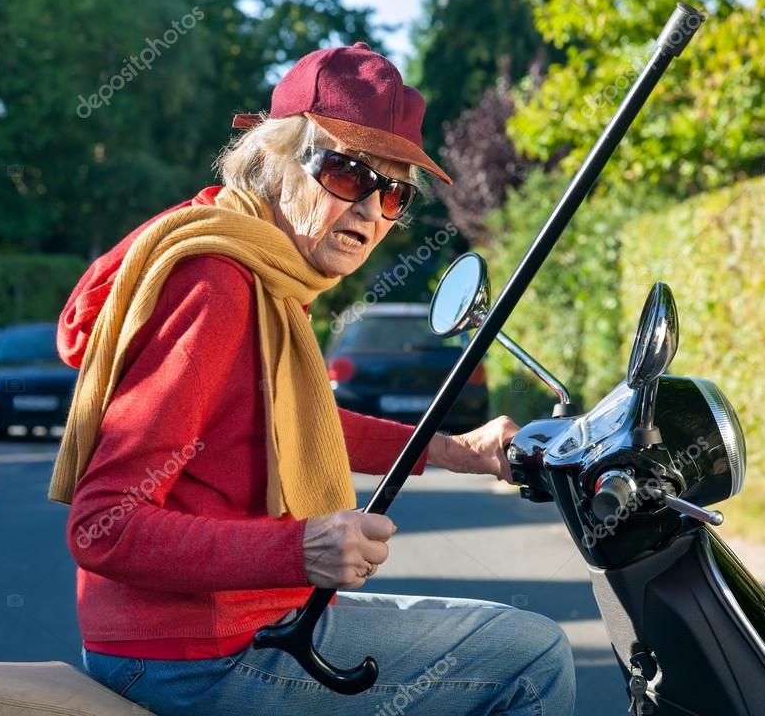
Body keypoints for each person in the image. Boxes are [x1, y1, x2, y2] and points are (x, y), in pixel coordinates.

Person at [48, 41, 575, 715]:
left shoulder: (264, 270)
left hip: (223, 631)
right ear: (276, 161)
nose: (371, 212)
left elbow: (290, 422)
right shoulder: (217, 284)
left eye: (394, 193)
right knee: (530, 655)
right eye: (349, 174)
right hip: (196, 655)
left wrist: (454, 450)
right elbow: (103, 525)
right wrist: (298, 548)